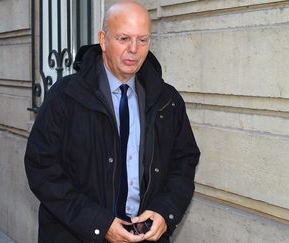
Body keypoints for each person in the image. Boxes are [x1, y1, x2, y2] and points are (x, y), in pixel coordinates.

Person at [24, 1, 200, 242]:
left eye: (142, 40)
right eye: (124, 38)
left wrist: (164, 211)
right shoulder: (65, 95)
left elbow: (184, 161)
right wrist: (98, 223)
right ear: (104, 40)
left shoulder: (167, 100)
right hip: (76, 235)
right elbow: (41, 168)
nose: (134, 49)